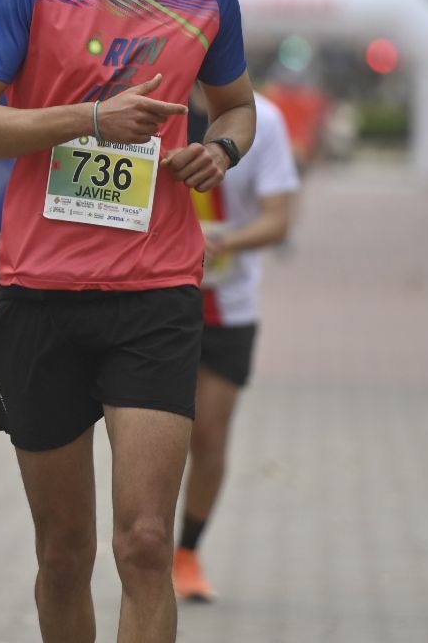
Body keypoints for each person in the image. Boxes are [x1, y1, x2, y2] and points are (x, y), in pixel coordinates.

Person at [0, 0, 256, 643]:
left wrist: (219, 153)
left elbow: (236, 108)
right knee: (64, 550)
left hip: (156, 293)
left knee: (146, 542)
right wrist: (90, 118)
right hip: (40, 293)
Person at [173, 91, 300, 603]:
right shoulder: (146, 103)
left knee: (207, 437)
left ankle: (187, 554)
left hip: (227, 304)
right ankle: (144, 546)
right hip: (152, 302)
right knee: (150, 439)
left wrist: (219, 242)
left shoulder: (264, 119)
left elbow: (279, 220)